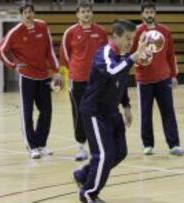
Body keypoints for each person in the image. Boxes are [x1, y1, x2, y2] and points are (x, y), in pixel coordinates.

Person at [73, 20, 146, 203]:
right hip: (95, 112)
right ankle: (88, 194)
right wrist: (134, 57)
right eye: (127, 38)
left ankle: (83, 175)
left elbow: (119, 83)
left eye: (133, 39)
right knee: (104, 155)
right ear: (115, 37)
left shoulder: (124, 56)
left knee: (119, 152)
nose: (130, 42)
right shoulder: (104, 53)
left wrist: (126, 105)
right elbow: (113, 71)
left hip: (112, 111)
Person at [0, 2, 61, 159]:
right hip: (27, 77)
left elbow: (49, 50)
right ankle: (32, 147)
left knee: (46, 111)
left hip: (44, 76)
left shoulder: (43, 26)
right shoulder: (15, 32)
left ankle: (41, 144)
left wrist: (55, 70)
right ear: (21, 15)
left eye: (31, 12)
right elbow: (0, 50)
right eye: (25, 12)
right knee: (27, 112)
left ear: (34, 13)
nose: (29, 15)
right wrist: (13, 65)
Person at [131, 1, 184, 156]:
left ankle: (174, 144)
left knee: (168, 111)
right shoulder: (137, 32)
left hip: (163, 78)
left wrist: (173, 75)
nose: (149, 15)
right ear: (142, 14)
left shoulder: (165, 31)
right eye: (146, 12)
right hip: (144, 80)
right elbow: (131, 54)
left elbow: (170, 54)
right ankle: (147, 144)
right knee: (145, 113)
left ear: (155, 13)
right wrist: (140, 59)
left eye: (151, 12)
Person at [60, 0, 108, 161]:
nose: (86, 14)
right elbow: (64, 55)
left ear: (92, 12)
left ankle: (98, 146)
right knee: (79, 113)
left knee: (98, 111)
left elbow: (106, 54)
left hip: (97, 79)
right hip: (78, 79)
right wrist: (74, 69)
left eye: (88, 11)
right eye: (83, 11)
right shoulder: (70, 32)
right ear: (77, 14)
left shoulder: (101, 32)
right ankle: (81, 146)